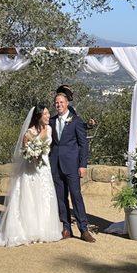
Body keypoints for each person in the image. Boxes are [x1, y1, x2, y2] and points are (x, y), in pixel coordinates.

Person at [0, 105, 62, 247]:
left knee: (44, 197)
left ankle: (43, 230)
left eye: (49, 113)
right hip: (30, 170)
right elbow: (24, 153)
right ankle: (28, 231)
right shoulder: (28, 133)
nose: (48, 116)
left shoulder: (49, 129)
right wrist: (33, 156)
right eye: (45, 114)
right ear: (38, 116)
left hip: (44, 170)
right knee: (29, 198)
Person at [49, 92, 96, 243]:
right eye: (57, 102)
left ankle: (83, 229)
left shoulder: (76, 121)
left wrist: (83, 165)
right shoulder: (51, 121)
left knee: (76, 196)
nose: (59, 105)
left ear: (67, 103)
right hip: (55, 165)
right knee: (60, 198)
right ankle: (66, 228)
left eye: (61, 102)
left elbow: (83, 145)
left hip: (72, 166)